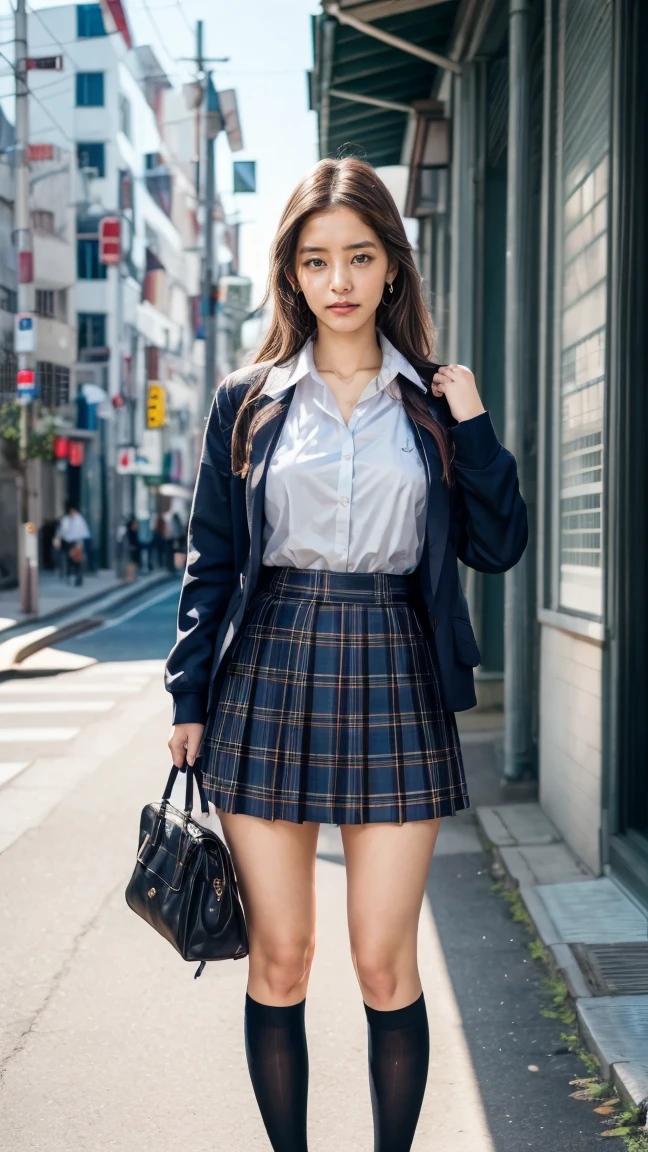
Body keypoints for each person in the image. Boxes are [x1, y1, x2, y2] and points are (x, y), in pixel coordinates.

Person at [165, 157, 528, 1152]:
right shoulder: (248, 401)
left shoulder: (429, 405)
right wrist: (186, 697)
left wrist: (476, 424)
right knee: (281, 959)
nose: (339, 281)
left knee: (382, 963)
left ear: (392, 270)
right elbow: (213, 559)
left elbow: (499, 546)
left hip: (395, 675)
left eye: (359, 257)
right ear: (291, 275)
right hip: (267, 674)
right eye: (317, 260)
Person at [54, 501, 91, 587]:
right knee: (68, 560)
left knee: (77, 561)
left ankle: (78, 578)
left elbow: (83, 533)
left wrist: (80, 543)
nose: (72, 512)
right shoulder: (66, 519)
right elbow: (61, 531)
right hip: (68, 542)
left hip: (77, 542)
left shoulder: (80, 520)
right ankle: (68, 576)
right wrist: (58, 538)